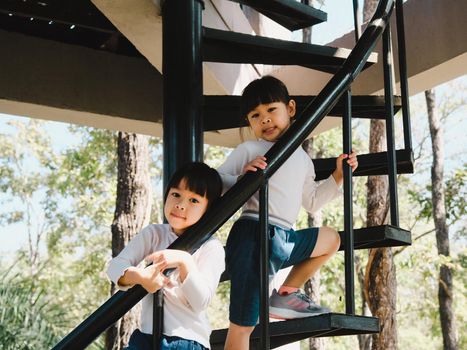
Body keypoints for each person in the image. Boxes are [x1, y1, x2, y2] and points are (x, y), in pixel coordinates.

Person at [217, 76, 359, 350]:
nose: (265, 120)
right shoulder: (249, 150)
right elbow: (216, 182)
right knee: (243, 326)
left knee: (331, 238)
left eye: (271, 110)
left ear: (290, 109)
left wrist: (338, 177)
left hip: (285, 239)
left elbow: (313, 201)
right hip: (253, 237)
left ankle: (286, 293)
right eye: (256, 115)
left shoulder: (303, 159)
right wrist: (243, 178)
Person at [107, 162, 224, 350]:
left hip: (187, 340)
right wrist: (140, 277)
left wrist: (185, 262)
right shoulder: (154, 234)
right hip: (146, 336)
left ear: (208, 209)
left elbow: (200, 302)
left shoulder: (211, 247)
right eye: (176, 195)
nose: (180, 205)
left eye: (193, 200)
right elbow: (114, 267)